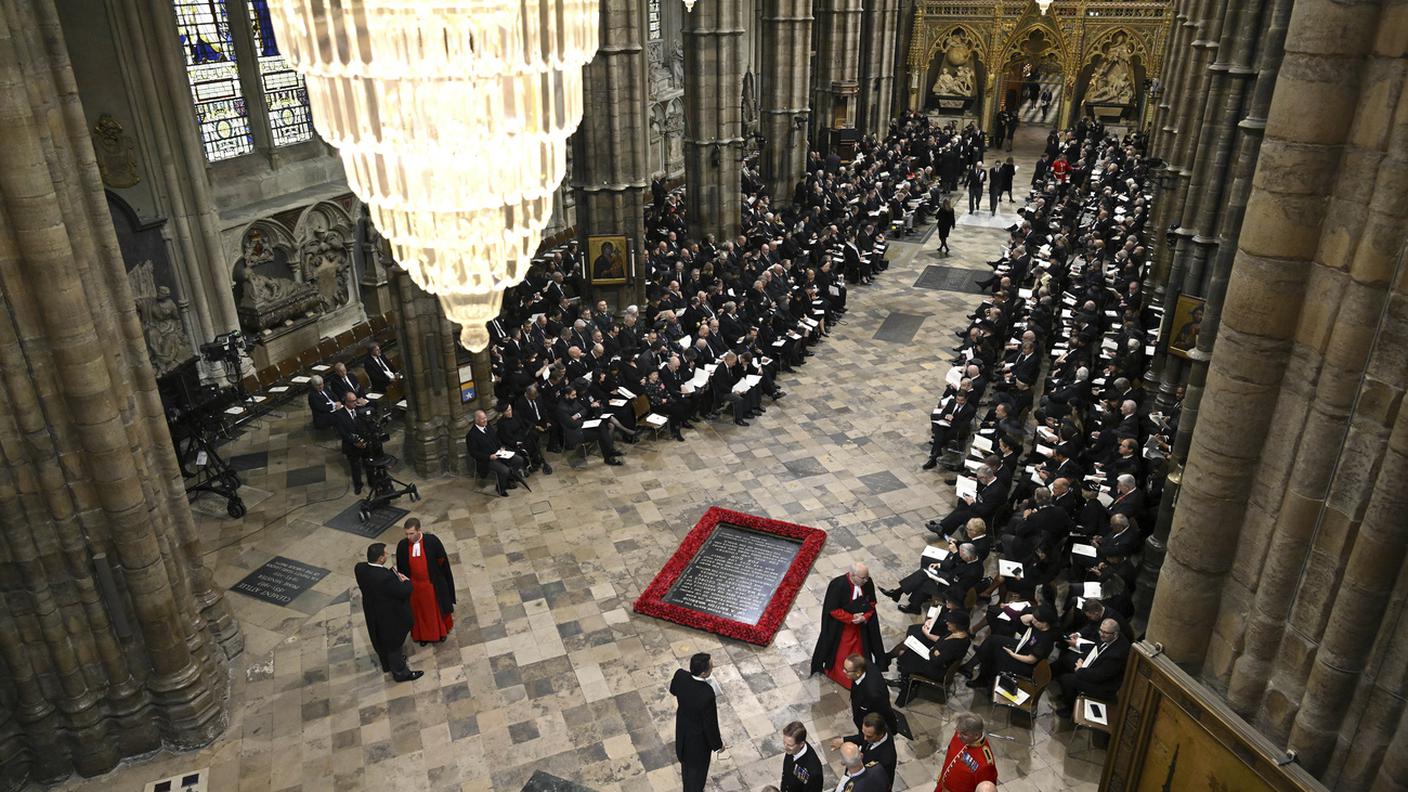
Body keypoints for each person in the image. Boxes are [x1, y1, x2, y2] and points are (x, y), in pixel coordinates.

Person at [353, 542, 423, 682]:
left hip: (372, 611)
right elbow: (404, 591)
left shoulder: (360, 568)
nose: (387, 554)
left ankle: (388, 664)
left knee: (381, 640)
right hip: (388, 616)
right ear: (380, 558)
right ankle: (401, 672)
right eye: (385, 553)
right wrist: (406, 581)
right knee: (394, 644)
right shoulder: (384, 577)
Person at [811, 563, 886, 688]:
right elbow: (832, 610)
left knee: (861, 651)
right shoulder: (838, 585)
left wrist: (864, 617)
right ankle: (841, 676)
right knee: (841, 654)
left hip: (861, 628)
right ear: (852, 575)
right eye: (863, 578)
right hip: (842, 628)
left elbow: (872, 603)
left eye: (867, 577)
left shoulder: (867, 582)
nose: (866, 580)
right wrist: (851, 618)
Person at [887, 610, 972, 707]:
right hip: (936, 660)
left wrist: (933, 650)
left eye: (950, 622)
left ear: (958, 625)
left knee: (907, 656)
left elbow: (937, 661)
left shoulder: (957, 644)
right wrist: (934, 650)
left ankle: (905, 684)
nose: (947, 623)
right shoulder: (956, 633)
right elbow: (941, 642)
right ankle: (900, 672)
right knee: (909, 646)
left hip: (938, 670)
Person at [394, 519, 455, 645]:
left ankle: (440, 633)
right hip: (415, 586)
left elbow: (441, 560)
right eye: (407, 534)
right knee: (419, 613)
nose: (409, 537)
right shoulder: (402, 546)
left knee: (435, 611)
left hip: (431, 584)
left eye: (411, 533)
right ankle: (422, 636)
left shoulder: (432, 541)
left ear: (419, 530)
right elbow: (402, 567)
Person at [670, 653, 723, 792]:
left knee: (686, 769)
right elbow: (710, 725)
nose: (713, 667)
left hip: (682, 730)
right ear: (704, 673)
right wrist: (717, 746)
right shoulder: (707, 694)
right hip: (698, 742)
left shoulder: (680, 675)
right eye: (711, 666)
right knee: (696, 776)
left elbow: (673, 690)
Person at [1055, 618, 1131, 716]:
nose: (1101, 634)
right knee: (1067, 659)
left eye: (1105, 633)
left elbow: (1099, 676)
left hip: (1103, 686)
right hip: (1094, 665)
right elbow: (1095, 648)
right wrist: (1081, 659)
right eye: (1101, 630)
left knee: (1067, 680)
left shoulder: (1117, 655)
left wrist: (1080, 670)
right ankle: (1068, 694)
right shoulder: (1108, 637)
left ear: (1115, 634)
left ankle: (1070, 710)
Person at [465, 409, 529, 496]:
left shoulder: (488, 426)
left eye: (485, 418)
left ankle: (508, 480)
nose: (485, 420)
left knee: (519, 460)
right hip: (486, 460)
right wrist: (489, 457)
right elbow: (474, 453)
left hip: (499, 453)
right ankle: (501, 488)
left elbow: (496, 439)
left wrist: (502, 448)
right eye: (482, 419)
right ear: (476, 420)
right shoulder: (471, 435)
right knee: (504, 470)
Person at [832, 713, 896, 792]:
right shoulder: (878, 729)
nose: (865, 738)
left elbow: (884, 783)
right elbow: (862, 738)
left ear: (880, 734)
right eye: (863, 733)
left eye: (869, 736)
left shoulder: (886, 760)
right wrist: (844, 740)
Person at [935, 712, 997, 792]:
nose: (958, 736)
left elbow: (986, 787)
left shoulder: (985, 764)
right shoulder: (961, 733)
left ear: (976, 735)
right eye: (958, 731)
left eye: (964, 734)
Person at [842, 655, 899, 737]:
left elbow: (872, 715)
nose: (843, 671)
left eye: (846, 670)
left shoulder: (872, 694)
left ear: (858, 673)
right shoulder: (864, 664)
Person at [331, 391, 368, 494]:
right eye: (352, 402)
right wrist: (354, 442)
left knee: (369, 461)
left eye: (355, 400)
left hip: (363, 441)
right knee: (355, 466)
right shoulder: (339, 415)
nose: (355, 403)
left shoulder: (359, 410)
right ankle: (358, 485)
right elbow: (343, 433)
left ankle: (372, 480)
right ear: (346, 402)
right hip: (351, 445)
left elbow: (364, 426)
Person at [779, 721, 824, 792]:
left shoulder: (814, 771)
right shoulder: (792, 749)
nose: (785, 747)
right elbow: (786, 773)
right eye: (784, 742)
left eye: (790, 745)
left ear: (801, 744)